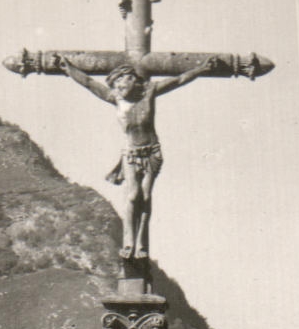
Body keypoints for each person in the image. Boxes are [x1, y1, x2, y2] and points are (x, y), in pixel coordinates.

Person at [55, 54, 233, 260]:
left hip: (152, 152)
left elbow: (179, 80)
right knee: (132, 196)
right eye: (116, 85)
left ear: (132, 79)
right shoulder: (115, 98)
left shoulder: (149, 92)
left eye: (122, 83)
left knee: (145, 197)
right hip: (130, 154)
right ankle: (129, 241)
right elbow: (88, 82)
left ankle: (140, 242)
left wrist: (201, 69)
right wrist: (68, 69)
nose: (119, 88)